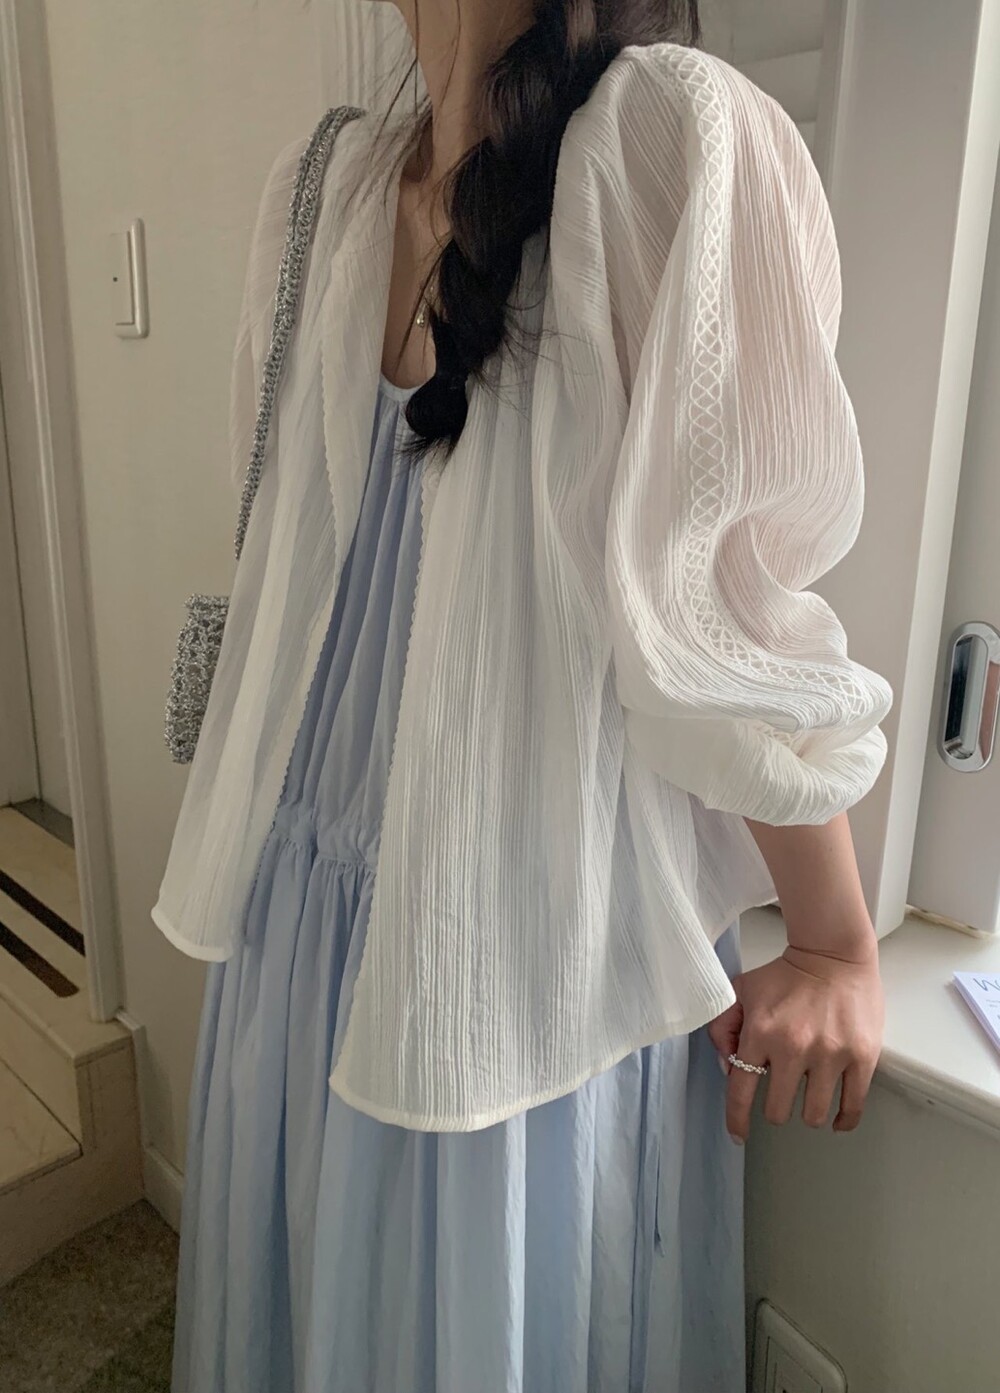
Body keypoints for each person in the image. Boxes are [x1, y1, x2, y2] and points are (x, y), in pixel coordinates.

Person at [159, 1, 894, 1389]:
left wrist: (837, 942)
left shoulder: (659, 138)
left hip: (508, 975)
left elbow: (727, 610)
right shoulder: (327, 185)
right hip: (299, 932)